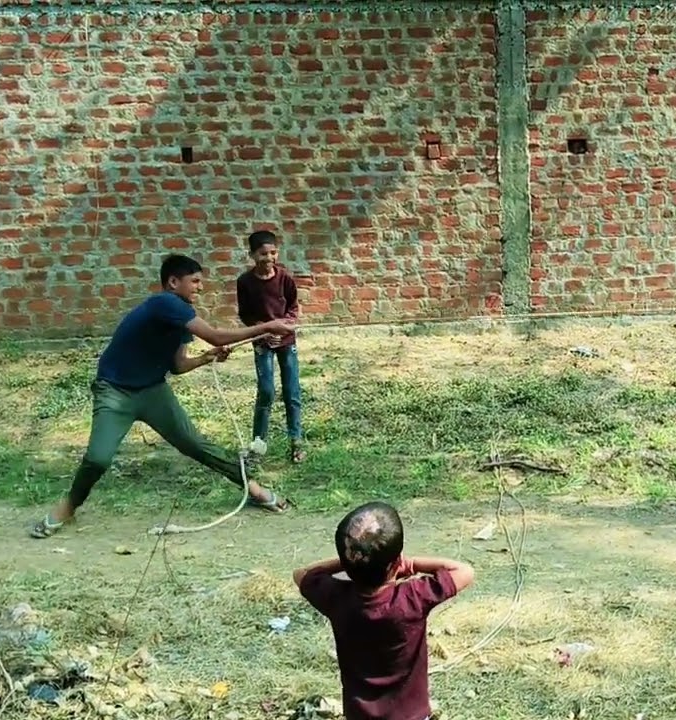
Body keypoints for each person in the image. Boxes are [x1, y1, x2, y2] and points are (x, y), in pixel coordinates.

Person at [29, 254, 296, 539]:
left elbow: (178, 366)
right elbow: (217, 336)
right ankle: (69, 506)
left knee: (196, 445)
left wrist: (206, 359)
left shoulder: (180, 318)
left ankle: (253, 489)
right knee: (97, 458)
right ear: (172, 282)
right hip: (115, 392)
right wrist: (268, 326)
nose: (200, 288)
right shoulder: (165, 303)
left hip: (153, 391)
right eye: (194, 281)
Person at [293, 501, 475, 720]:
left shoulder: (336, 597)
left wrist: (348, 560)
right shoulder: (412, 598)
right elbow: (464, 571)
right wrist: (412, 564)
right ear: (396, 562)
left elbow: (301, 573)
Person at [236, 229, 306, 464]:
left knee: (292, 391)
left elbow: (293, 309)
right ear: (252, 255)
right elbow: (245, 314)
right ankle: (258, 446)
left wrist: (284, 328)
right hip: (262, 342)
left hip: (285, 341)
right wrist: (264, 331)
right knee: (266, 392)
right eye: (263, 253)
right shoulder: (245, 282)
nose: (269, 258)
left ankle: (296, 442)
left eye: (273, 252)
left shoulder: (285, 278)